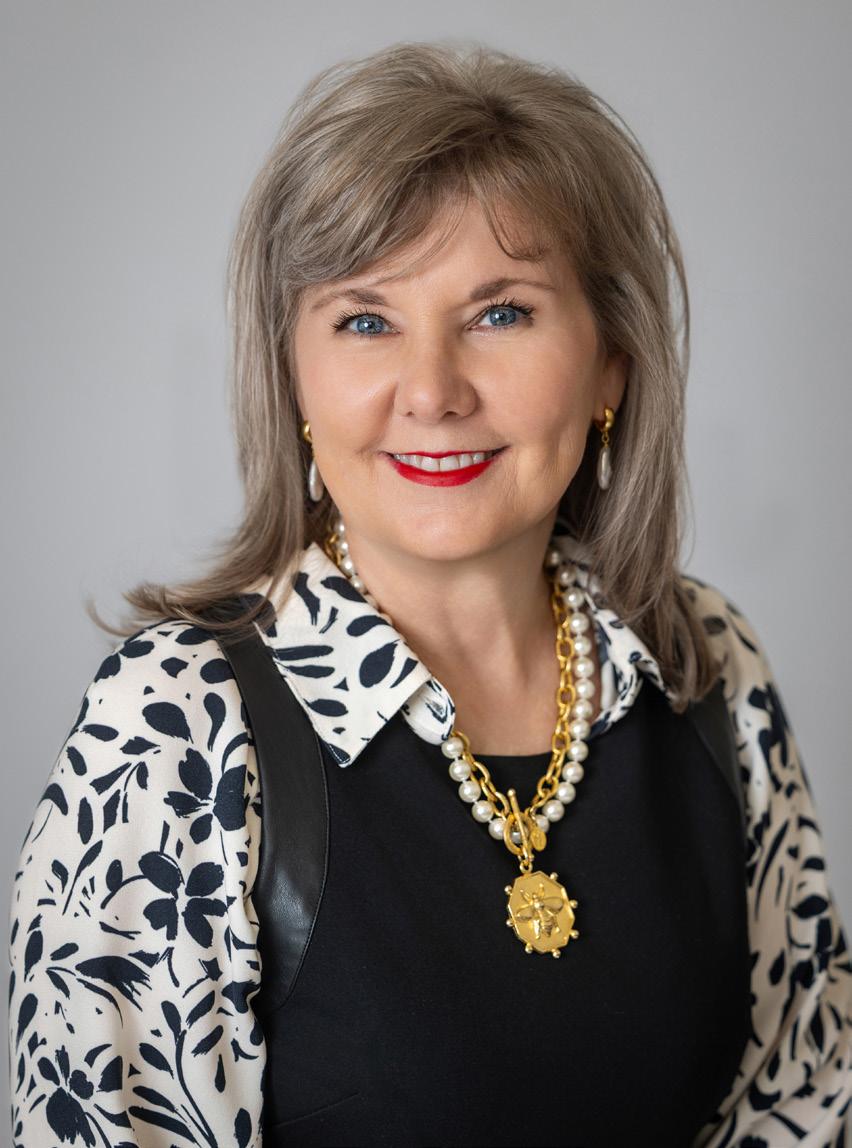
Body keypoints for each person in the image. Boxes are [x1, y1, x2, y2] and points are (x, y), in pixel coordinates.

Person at [7, 39, 850, 1148]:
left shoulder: (706, 660)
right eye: (366, 319)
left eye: (501, 313)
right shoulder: (170, 723)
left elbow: (805, 1102)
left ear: (612, 358)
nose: (432, 391)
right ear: (293, 375)